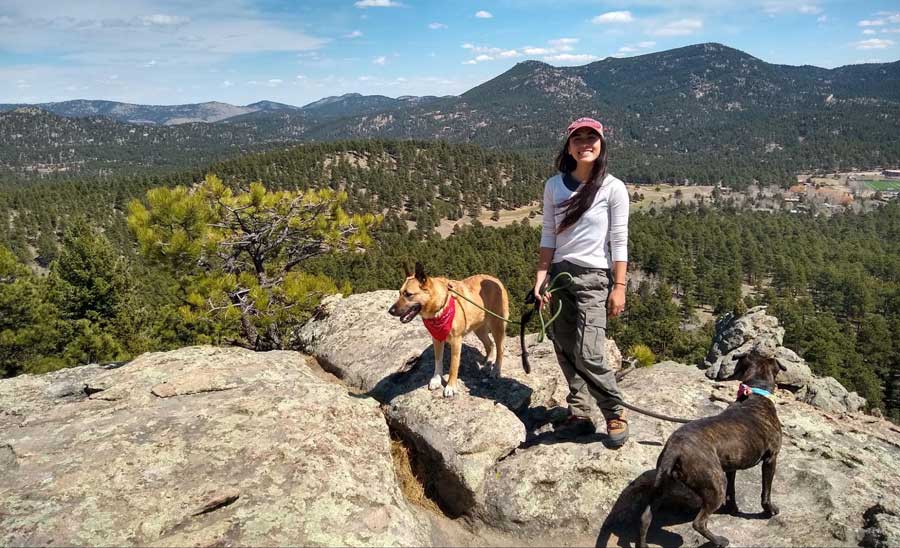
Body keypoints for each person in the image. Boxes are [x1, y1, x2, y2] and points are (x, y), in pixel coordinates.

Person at [533, 116, 630, 448]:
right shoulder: (553, 186)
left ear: (601, 144)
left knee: (589, 352)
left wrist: (619, 287)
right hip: (559, 275)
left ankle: (614, 412)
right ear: (569, 145)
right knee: (565, 348)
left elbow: (619, 241)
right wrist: (541, 278)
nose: (585, 143)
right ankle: (580, 414)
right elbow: (549, 235)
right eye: (579, 138)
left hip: (593, 279)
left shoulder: (613, 188)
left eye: (592, 137)